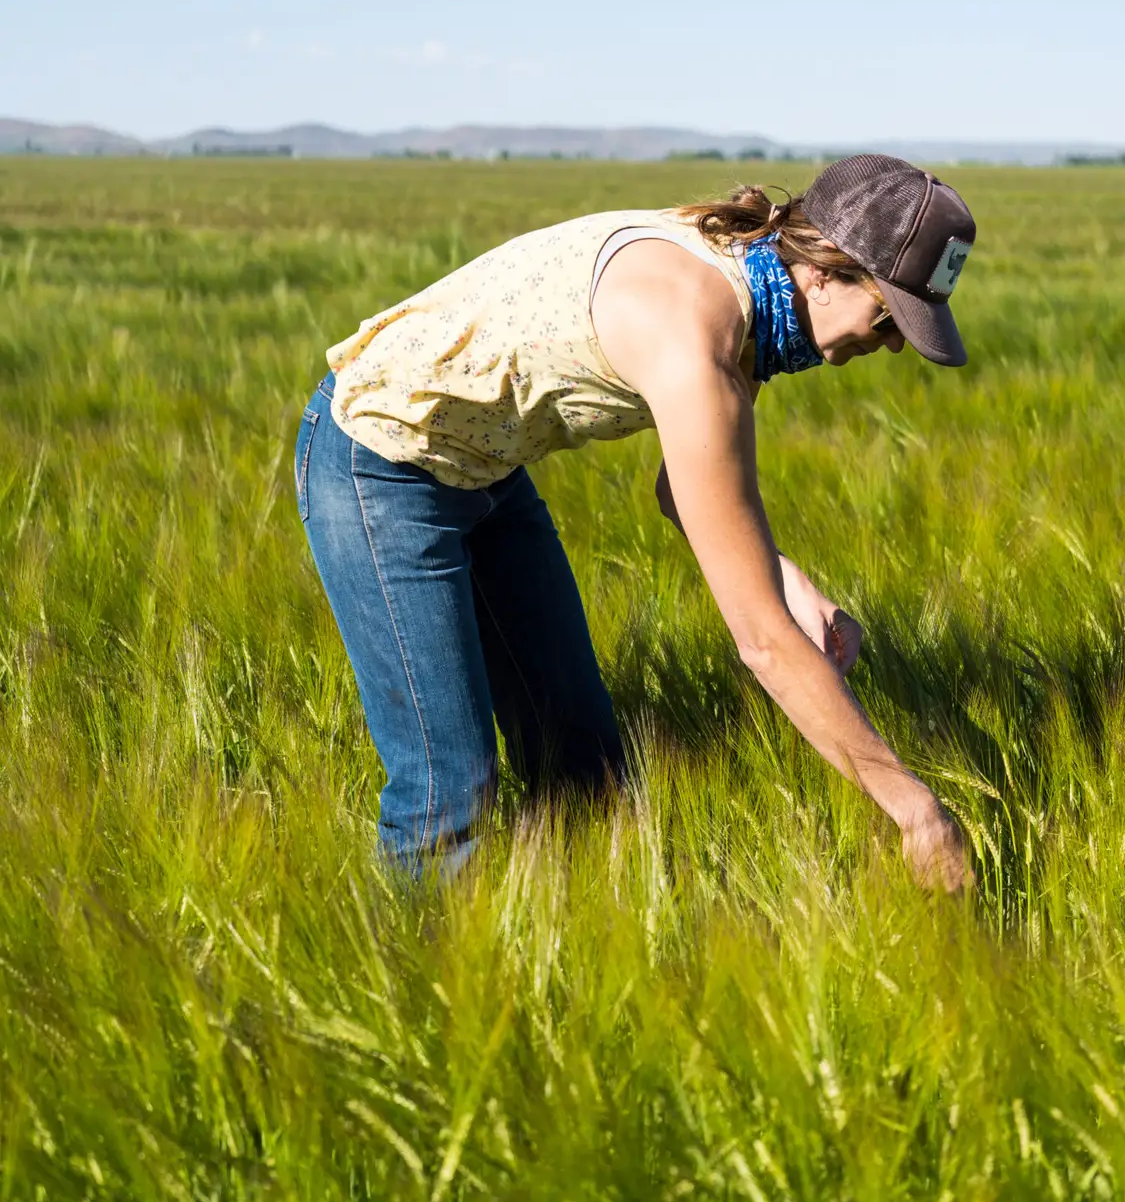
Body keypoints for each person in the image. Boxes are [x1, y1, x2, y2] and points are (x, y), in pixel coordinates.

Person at [294, 153, 976, 889]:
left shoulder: (752, 280)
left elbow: (684, 490)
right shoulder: (697, 337)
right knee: (446, 796)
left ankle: (567, 967)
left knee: (585, 771)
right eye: (888, 316)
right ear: (822, 273)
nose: (894, 343)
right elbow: (764, 646)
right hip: (381, 460)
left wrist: (788, 582)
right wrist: (912, 810)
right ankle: (411, 980)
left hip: (485, 469)